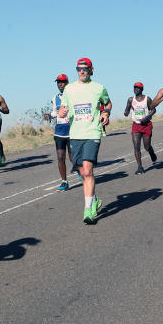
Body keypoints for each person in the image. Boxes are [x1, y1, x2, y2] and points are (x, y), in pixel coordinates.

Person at [56, 58, 111, 224]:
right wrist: (62, 112)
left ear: (91, 70)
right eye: (79, 69)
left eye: (85, 68)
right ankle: (94, 200)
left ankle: (87, 210)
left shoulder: (99, 88)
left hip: (92, 132)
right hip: (76, 134)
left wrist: (105, 114)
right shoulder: (69, 89)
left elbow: (107, 103)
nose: (81, 71)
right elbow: (62, 108)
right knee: (82, 172)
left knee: (87, 171)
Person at [43, 74, 73, 191]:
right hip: (60, 130)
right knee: (60, 157)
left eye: (62, 82)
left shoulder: (72, 96)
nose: (60, 84)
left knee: (72, 157)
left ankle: (81, 171)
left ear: (67, 83)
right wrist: (49, 115)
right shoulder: (55, 97)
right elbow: (55, 112)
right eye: (58, 82)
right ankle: (64, 182)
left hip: (71, 129)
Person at [123, 82, 157, 174]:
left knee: (146, 146)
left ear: (142, 89)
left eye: (138, 88)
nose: (136, 89)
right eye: (135, 87)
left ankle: (151, 153)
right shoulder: (131, 100)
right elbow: (127, 110)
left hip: (146, 125)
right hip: (136, 125)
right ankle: (140, 167)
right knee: (136, 146)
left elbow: (153, 109)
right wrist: (126, 112)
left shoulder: (147, 99)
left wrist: (146, 118)